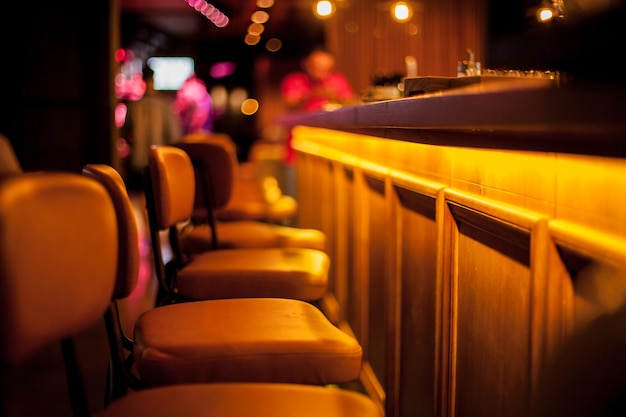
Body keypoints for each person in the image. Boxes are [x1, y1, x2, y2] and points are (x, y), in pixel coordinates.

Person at [120, 66, 182, 190]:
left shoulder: (134, 106)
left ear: (143, 80)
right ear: (154, 80)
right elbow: (174, 135)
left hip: (137, 163)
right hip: (159, 161)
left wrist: (135, 144)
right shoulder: (165, 105)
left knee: (137, 202)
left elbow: (124, 133)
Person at [281, 47, 357, 113]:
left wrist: (336, 97)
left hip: (331, 125)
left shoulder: (338, 79)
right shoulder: (294, 80)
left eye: (327, 70)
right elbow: (290, 105)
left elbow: (352, 102)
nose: (322, 75)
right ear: (305, 63)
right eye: (317, 68)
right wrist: (311, 95)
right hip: (302, 126)